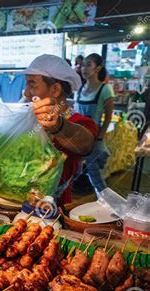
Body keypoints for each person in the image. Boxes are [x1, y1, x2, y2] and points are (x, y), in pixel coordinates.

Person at [23, 54, 98, 204]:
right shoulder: (27, 118)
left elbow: (86, 144)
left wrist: (58, 126)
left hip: (53, 209)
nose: (26, 92)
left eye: (32, 85)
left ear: (56, 89)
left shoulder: (80, 122)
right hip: (16, 203)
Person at [75, 53, 114, 196]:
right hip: (77, 138)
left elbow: (108, 117)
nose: (84, 68)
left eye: (88, 65)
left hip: (93, 139)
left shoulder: (105, 89)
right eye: (83, 65)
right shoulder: (80, 89)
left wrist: (99, 139)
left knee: (95, 174)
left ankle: (108, 205)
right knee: (74, 170)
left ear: (98, 68)